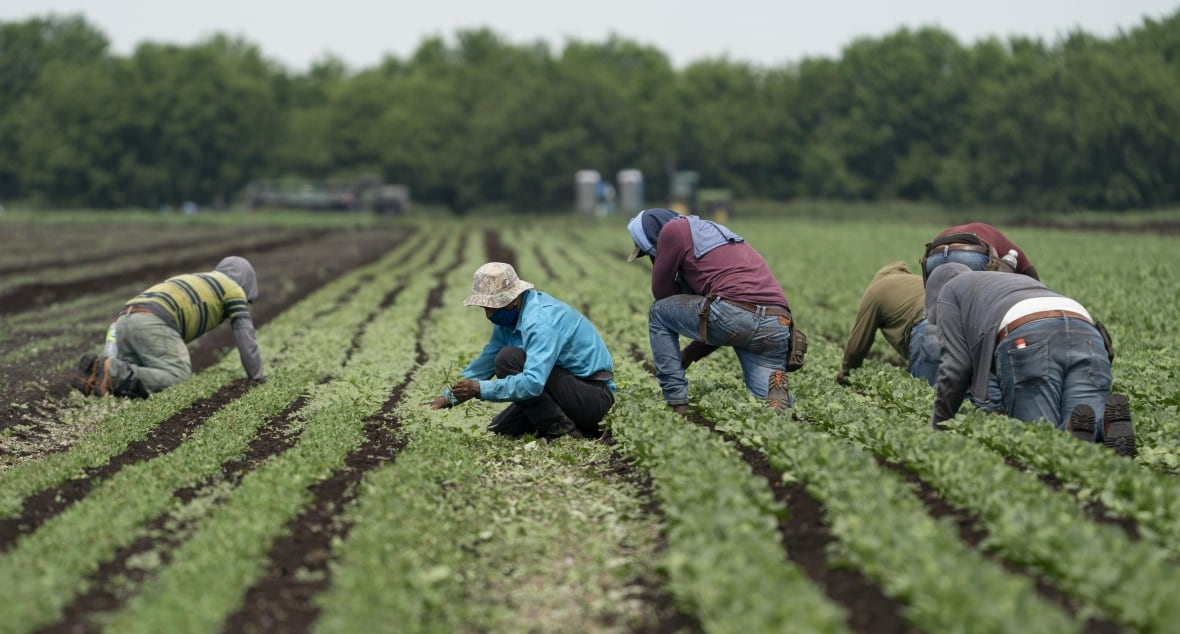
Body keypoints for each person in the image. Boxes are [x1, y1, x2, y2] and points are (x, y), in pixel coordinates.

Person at [924, 263, 1134, 457]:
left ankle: (1069, 437)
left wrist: (940, 423)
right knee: (1084, 417)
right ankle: (1104, 424)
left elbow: (957, 368)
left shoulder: (948, 292)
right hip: (1085, 328)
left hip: (1027, 332)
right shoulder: (1007, 282)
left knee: (1038, 436)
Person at [625, 208, 793, 414]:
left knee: (659, 313)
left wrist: (674, 278)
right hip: (777, 323)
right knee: (769, 402)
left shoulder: (673, 229)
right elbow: (719, 326)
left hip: (735, 313)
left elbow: (662, 292)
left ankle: (676, 400)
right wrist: (689, 355)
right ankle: (781, 410)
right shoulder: (711, 231)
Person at [424, 262, 615, 441]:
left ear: (513, 298)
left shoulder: (540, 322)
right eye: (485, 307)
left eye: (493, 306)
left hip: (593, 398)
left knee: (508, 359)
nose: (489, 314)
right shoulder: (508, 320)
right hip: (559, 393)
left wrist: (479, 389)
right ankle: (569, 426)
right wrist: (446, 398)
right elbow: (485, 363)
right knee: (499, 430)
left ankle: (563, 433)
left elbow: (532, 383)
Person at [73, 256, 264, 398]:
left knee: (138, 375)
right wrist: (256, 377)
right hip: (154, 319)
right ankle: (114, 373)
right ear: (245, 281)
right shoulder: (234, 289)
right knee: (177, 375)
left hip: (124, 317)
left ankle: (95, 374)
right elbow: (244, 333)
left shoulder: (202, 278)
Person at [837, 261, 938, 386]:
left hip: (929, 326)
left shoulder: (875, 291)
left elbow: (857, 346)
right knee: (961, 397)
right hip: (959, 323)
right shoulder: (914, 281)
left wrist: (846, 374)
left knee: (927, 393)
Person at [921, 221, 1040, 281]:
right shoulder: (1011, 249)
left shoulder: (949, 230)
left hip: (934, 256)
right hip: (969, 253)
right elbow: (1028, 271)